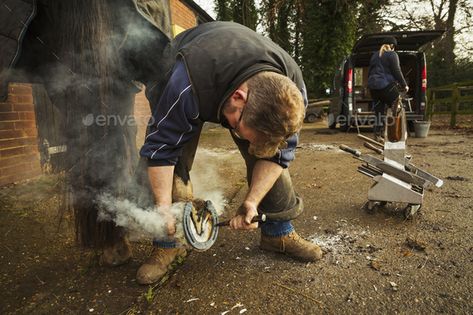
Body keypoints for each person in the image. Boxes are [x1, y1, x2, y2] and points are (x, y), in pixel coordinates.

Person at [106, 21, 323, 285]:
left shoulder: (292, 93)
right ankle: (168, 242)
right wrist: (163, 208)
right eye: (239, 129)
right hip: (183, 69)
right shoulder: (184, 84)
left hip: (232, 77)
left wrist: (252, 202)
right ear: (239, 98)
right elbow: (161, 149)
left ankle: (277, 233)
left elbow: (279, 156)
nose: (237, 137)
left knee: (268, 151)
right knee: (175, 159)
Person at [367, 36, 409, 140]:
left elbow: (370, 72)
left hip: (373, 88)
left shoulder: (374, 55)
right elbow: (396, 71)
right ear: (392, 46)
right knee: (397, 107)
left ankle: (378, 134)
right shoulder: (392, 54)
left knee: (378, 112)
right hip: (385, 86)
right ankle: (395, 134)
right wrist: (404, 85)